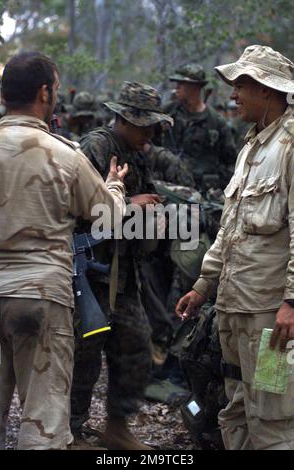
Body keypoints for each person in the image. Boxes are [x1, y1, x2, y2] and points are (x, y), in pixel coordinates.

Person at [0, 52, 127, 450]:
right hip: (40, 300)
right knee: (44, 426)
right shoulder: (65, 154)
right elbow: (110, 218)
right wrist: (115, 185)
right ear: (44, 93)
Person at [176, 44, 294, 450]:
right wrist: (203, 285)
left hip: (270, 317)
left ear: (266, 89)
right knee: (235, 410)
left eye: (241, 85)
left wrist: (291, 303)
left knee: (273, 417)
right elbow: (230, 229)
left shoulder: (290, 147)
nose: (233, 95)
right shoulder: (250, 148)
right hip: (232, 307)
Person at [70, 81, 173, 450]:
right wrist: (133, 203)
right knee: (84, 352)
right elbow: (83, 207)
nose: (151, 132)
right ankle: (73, 429)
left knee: (135, 346)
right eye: (146, 124)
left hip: (125, 272)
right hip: (92, 271)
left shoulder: (138, 152)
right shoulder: (95, 146)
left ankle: (117, 425)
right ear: (127, 120)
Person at [163, 63, 237, 190]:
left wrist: (218, 189)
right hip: (169, 188)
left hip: (203, 194)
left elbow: (231, 163)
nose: (177, 87)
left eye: (182, 83)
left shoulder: (215, 122)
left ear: (196, 87)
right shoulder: (168, 112)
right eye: (176, 83)